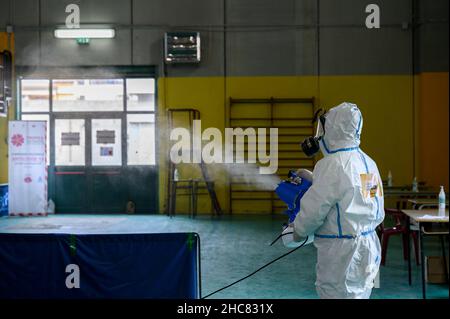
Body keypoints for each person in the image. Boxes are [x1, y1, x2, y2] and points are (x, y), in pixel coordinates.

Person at [293, 102, 385, 299]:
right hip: (368, 247)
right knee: (360, 294)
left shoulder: (331, 165)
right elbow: (363, 198)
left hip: (341, 254)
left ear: (334, 128)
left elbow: (313, 211)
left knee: (336, 294)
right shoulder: (367, 162)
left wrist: (298, 231)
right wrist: (316, 178)